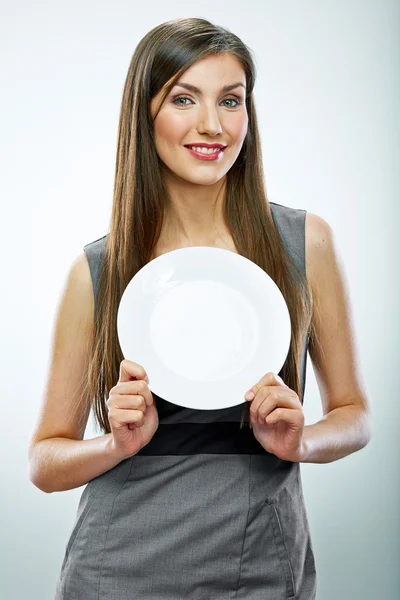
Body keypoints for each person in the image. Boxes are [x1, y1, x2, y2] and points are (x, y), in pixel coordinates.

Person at [28, 17, 372, 600]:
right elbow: (45, 460)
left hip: (259, 557)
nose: (212, 125)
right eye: (184, 98)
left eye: (231, 101)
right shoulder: (99, 270)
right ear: (146, 115)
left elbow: (354, 413)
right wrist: (115, 444)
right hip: (120, 565)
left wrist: (301, 442)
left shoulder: (302, 243)